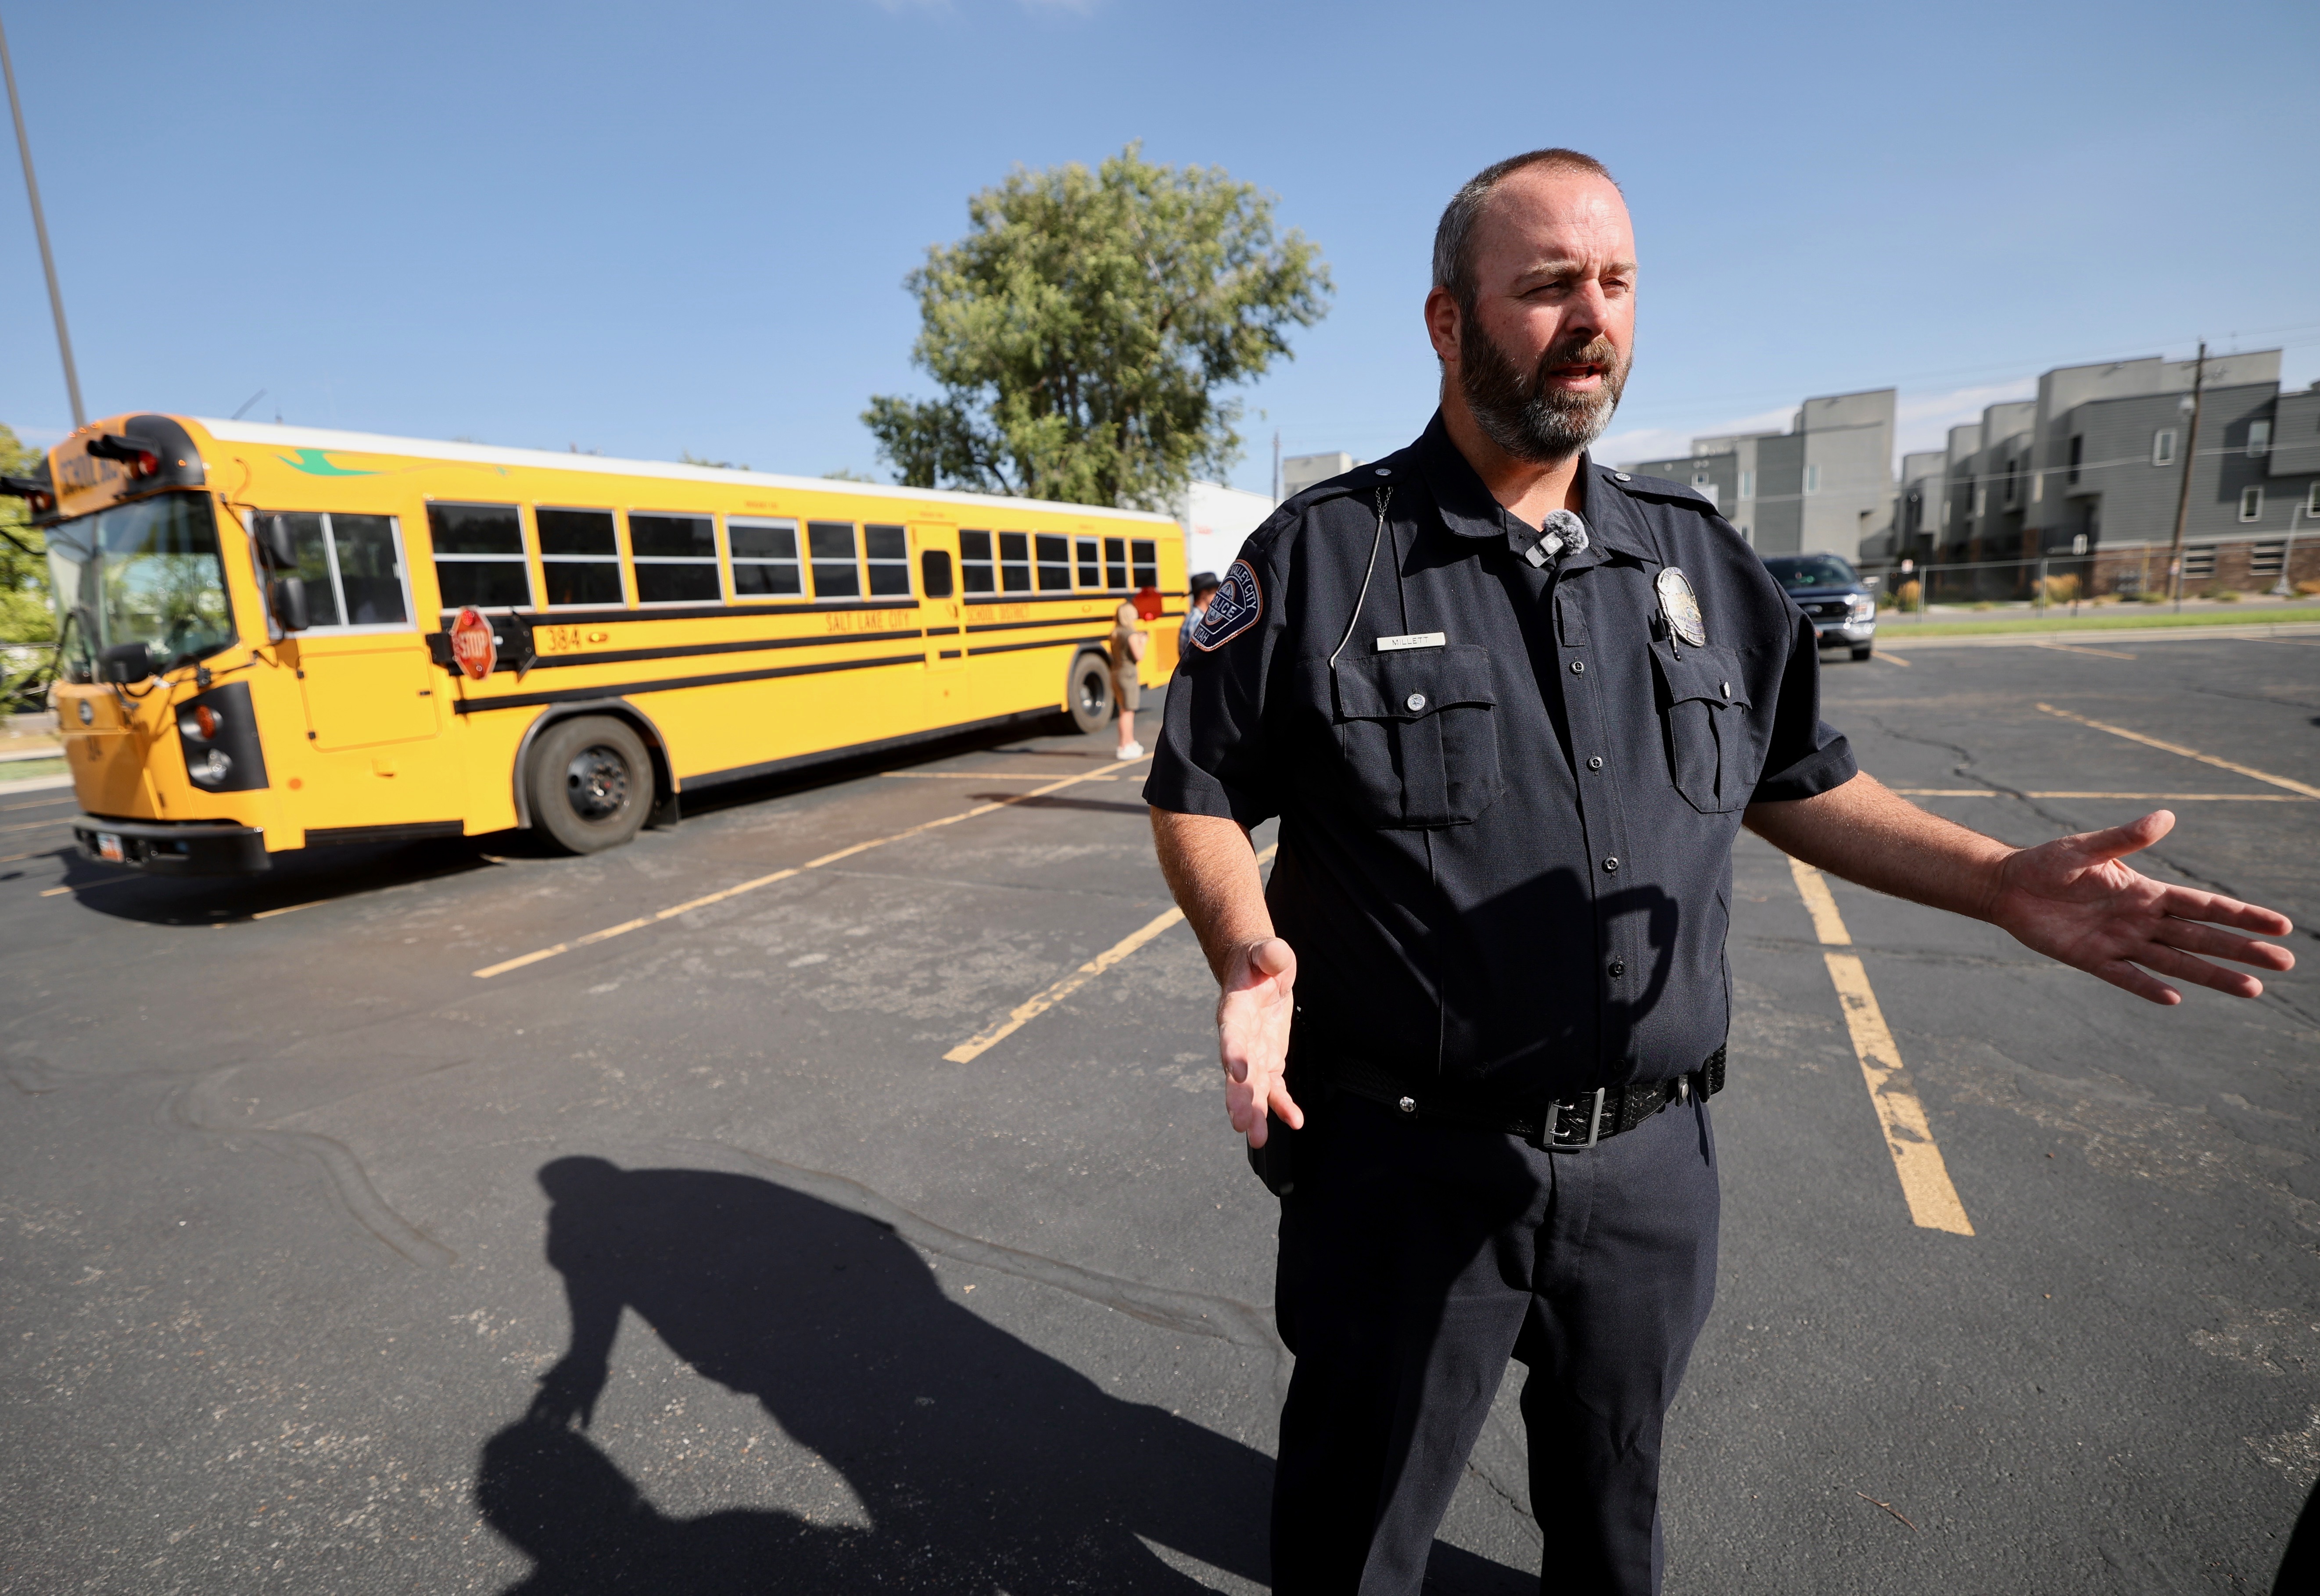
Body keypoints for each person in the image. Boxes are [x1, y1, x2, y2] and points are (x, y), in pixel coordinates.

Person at [1143, 147, 2295, 1596]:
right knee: (1354, 1540)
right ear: (1445, 321)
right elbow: (1193, 789)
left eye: (1615, 282)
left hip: (1648, 1173)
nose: (1591, 317)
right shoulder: (1325, 558)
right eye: (1547, 284)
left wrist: (2000, 880)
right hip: (1403, 1167)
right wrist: (1245, 949)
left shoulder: (1693, 561)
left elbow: (1796, 780)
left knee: (1613, 1525)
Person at [1109, 599, 1147, 760]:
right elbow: (1138, 655)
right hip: (1128, 674)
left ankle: (1127, 743)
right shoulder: (1131, 634)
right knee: (1128, 712)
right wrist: (1144, 642)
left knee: (1123, 709)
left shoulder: (1116, 633)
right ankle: (1126, 744)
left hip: (1117, 672)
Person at [1180, 571, 1222, 658]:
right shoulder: (1199, 622)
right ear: (1204, 594)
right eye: (1215, 592)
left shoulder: (1190, 617)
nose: (1219, 595)